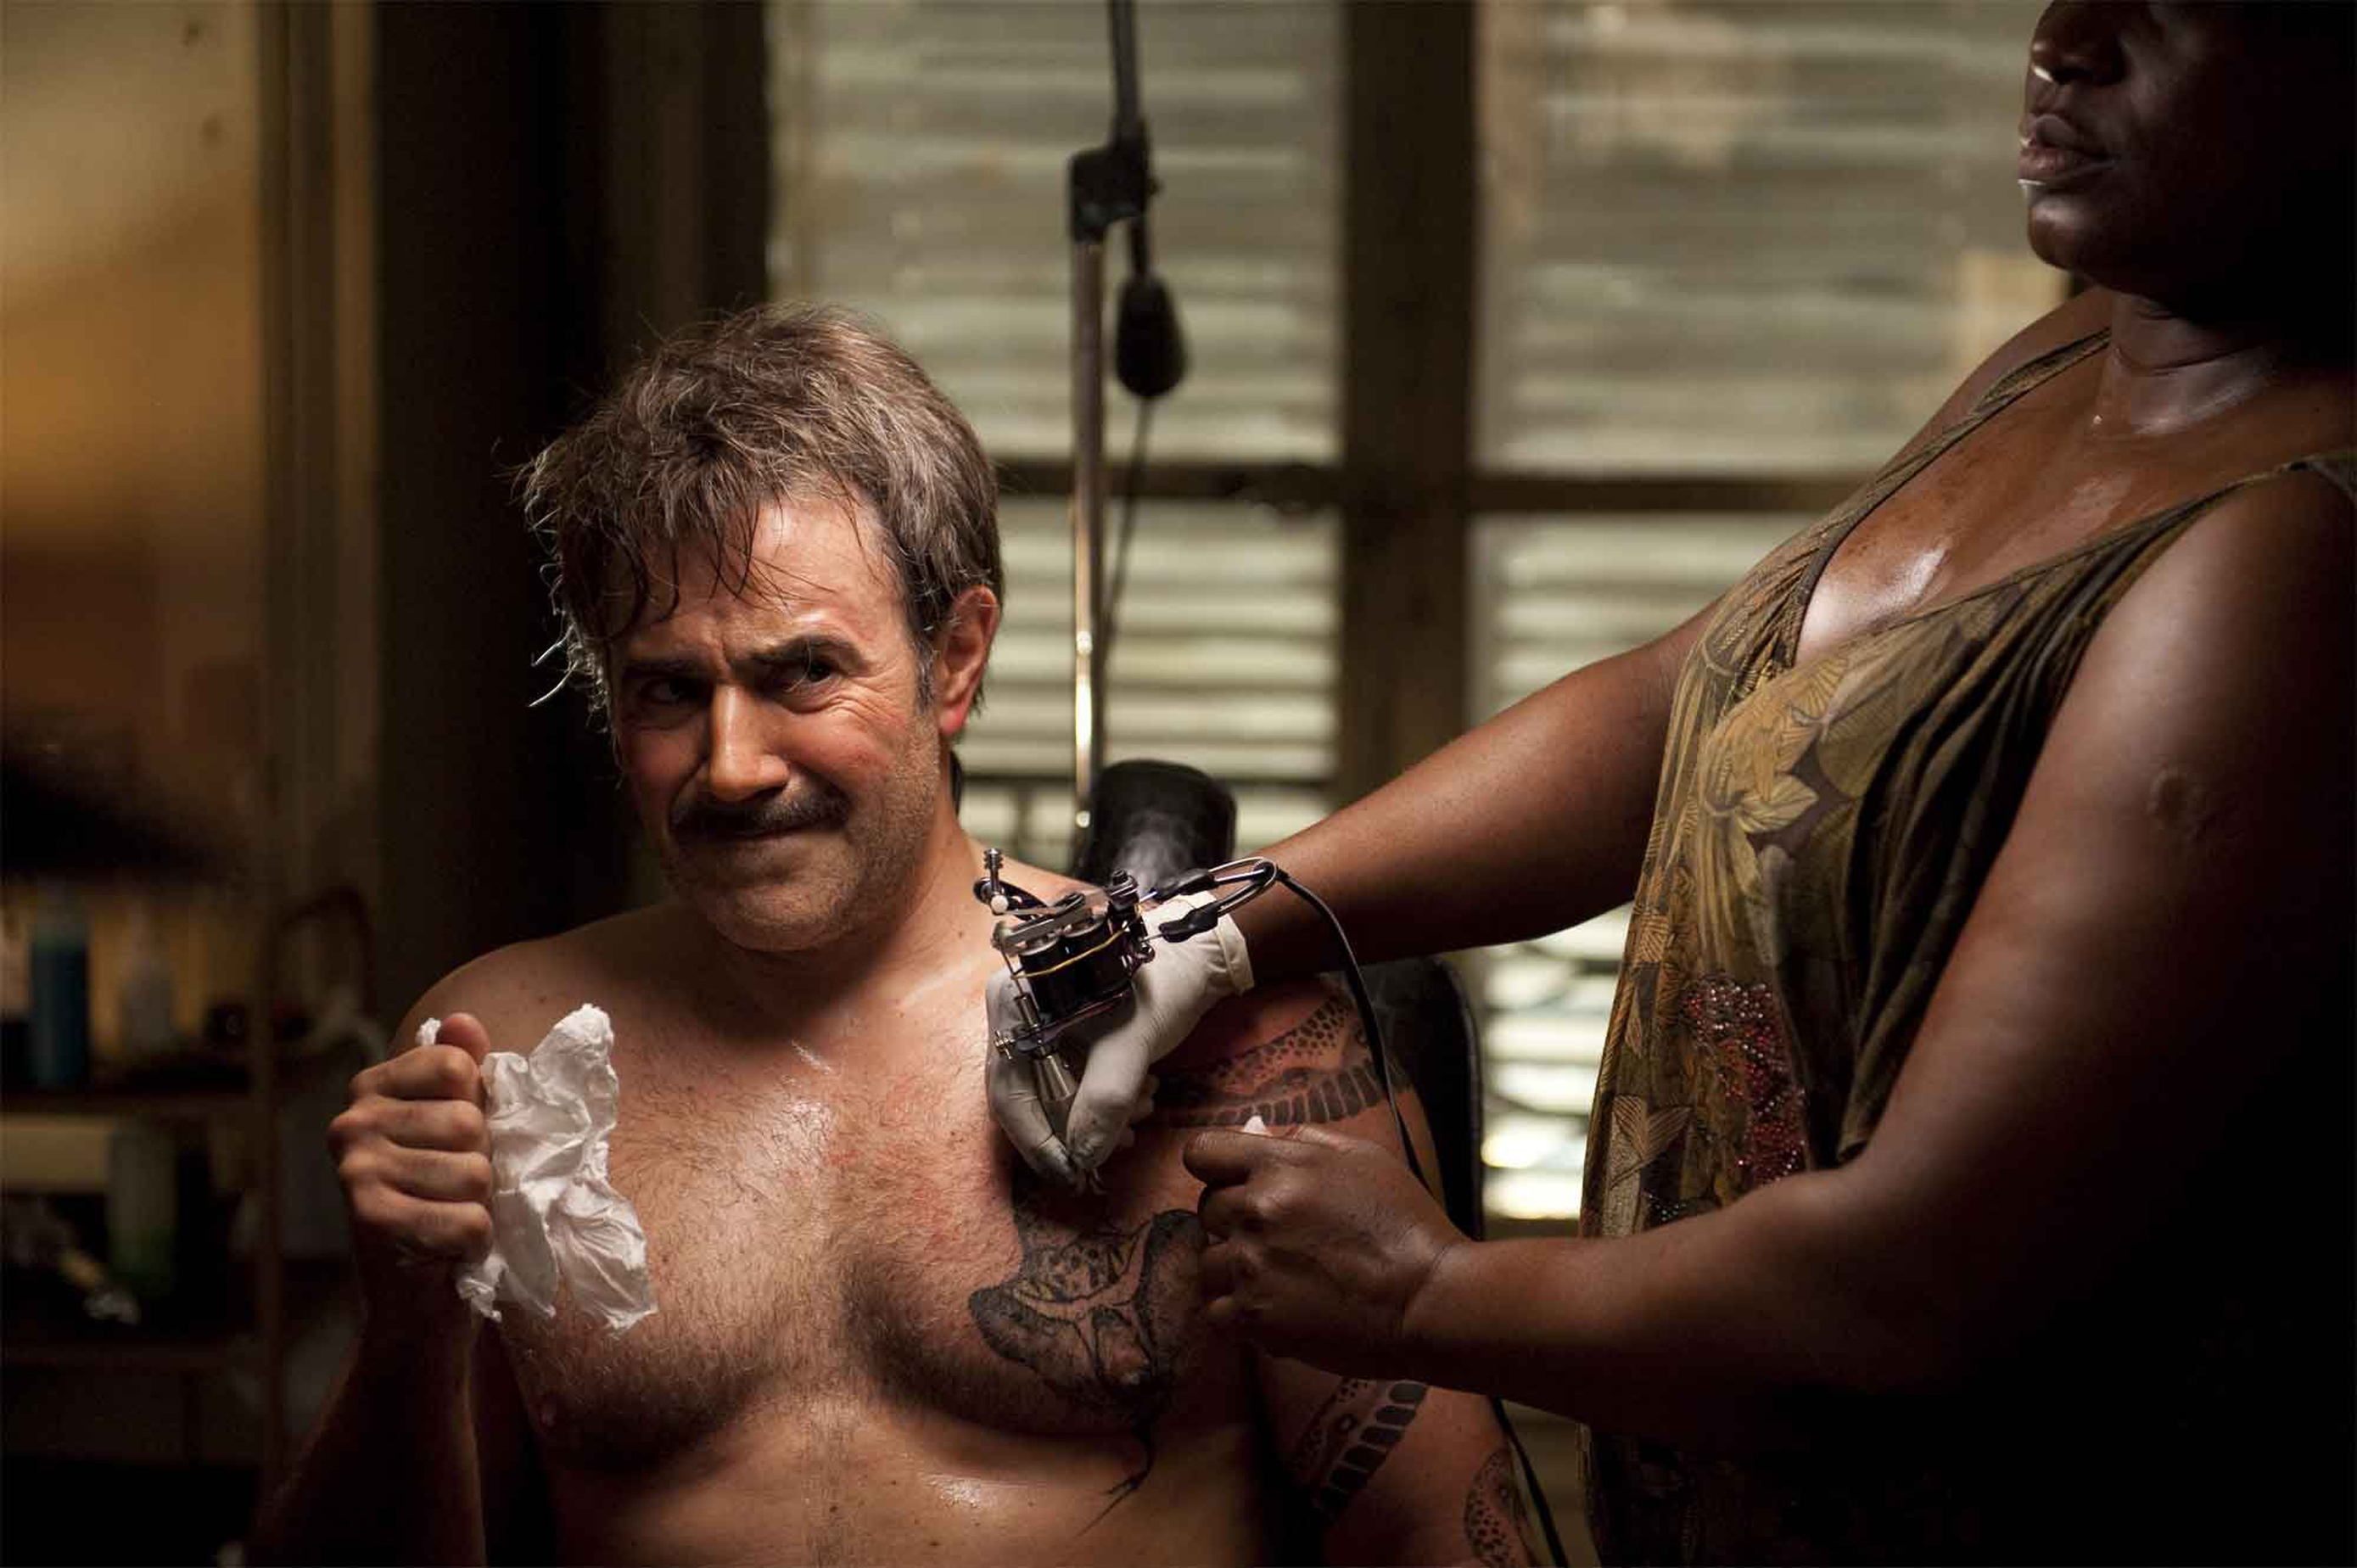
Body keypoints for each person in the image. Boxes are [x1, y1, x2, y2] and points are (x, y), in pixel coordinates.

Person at [993, 4, 2354, 1562]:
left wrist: (1424, 1294)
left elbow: (1906, 1293)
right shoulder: (2072, 355)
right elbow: (1694, 708)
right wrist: (1218, 926)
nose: (2063, 38)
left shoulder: (2284, 568)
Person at [249, 305, 1537, 1566]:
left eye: (803, 672)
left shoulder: (1230, 1049)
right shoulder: (505, 1060)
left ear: (955, 659)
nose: (732, 765)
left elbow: (1443, 1535)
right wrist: (409, 1333)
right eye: (669, 689)